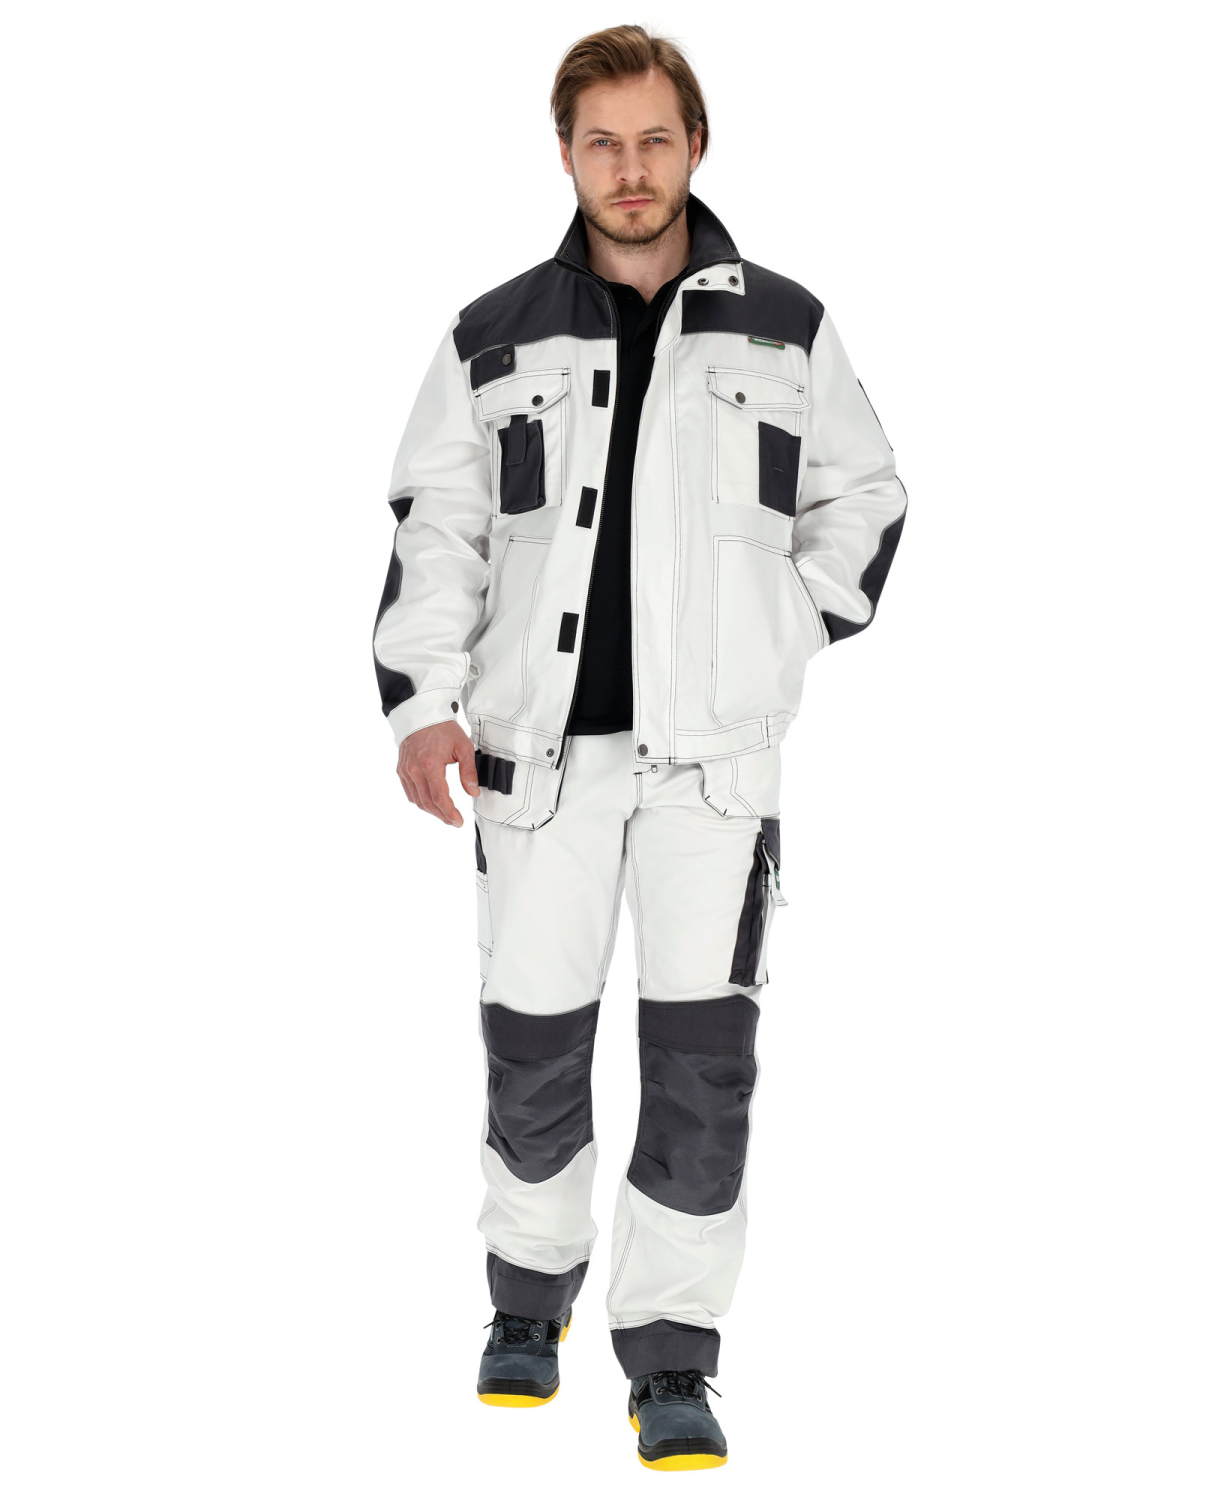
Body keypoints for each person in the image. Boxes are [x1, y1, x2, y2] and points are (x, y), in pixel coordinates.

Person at [372, 24, 908, 1471]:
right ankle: (527, 1299)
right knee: (534, 1051)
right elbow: (438, 526)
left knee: (701, 1066)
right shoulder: (493, 335)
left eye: (654, 139)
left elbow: (866, 496)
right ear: (565, 154)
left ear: (695, 147)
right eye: (601, 141)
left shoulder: (784, 327)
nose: (630, 167)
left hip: (712, 772)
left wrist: (783, 628)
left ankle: (672, 1350)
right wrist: (422, 703)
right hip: (535, 765)